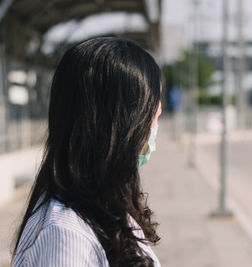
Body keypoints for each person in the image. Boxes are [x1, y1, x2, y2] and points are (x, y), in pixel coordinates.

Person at [12, 37, 163, 267]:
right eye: (153, 116)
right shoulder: (66, 237)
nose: (154, 128)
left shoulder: (104, 206)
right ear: (125, 128)